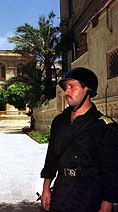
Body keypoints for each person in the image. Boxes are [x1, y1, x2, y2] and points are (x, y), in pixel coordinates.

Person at [40, 67, 118, 212]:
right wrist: (46, 188)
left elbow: (111, 169)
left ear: (87, 90)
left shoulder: (104, 126)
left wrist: (107, 205)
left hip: (89, 196)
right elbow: (51, 158)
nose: (66, 92)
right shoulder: (59, 121)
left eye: (72, 87)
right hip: (61, 192)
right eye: (65, 87)